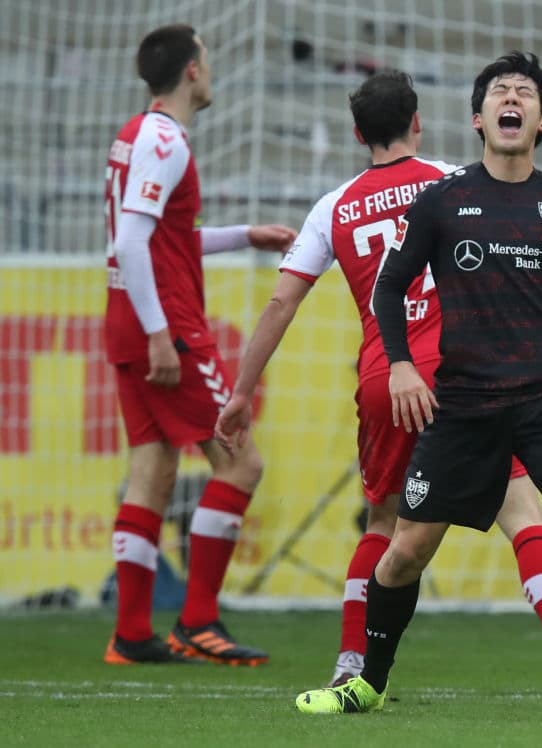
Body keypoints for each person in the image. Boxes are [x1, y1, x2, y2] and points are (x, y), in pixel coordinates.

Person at [214, 70, 542, 697]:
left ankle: (351, 664)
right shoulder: (452, 182)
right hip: (463, 373)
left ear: (355, 133)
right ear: (418, 123)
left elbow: (280, 305)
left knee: (383, 524)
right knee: (520, 508)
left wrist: (240, 394)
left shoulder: (334, 206)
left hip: (385, 377)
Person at [291, 52, 542, 720]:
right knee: (404, 551)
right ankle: (366, 683)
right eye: (498, 92)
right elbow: (389, 286)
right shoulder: (442, 199)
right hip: (463, 405)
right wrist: (401, 362)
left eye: (523, 93)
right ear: (477, 117)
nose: (510, 99)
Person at [102, 24, 296, 665]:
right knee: (242, 462)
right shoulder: (165, 140)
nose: (210, 72)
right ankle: (198, 622)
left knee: (152, 469)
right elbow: (132, 242)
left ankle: (131, 634)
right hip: (167, 327)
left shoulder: (136, 134)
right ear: (191, 71)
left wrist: (245, 235)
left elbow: (161, 236)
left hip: (125, 319)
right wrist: (162, 334)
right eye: (207, 61)